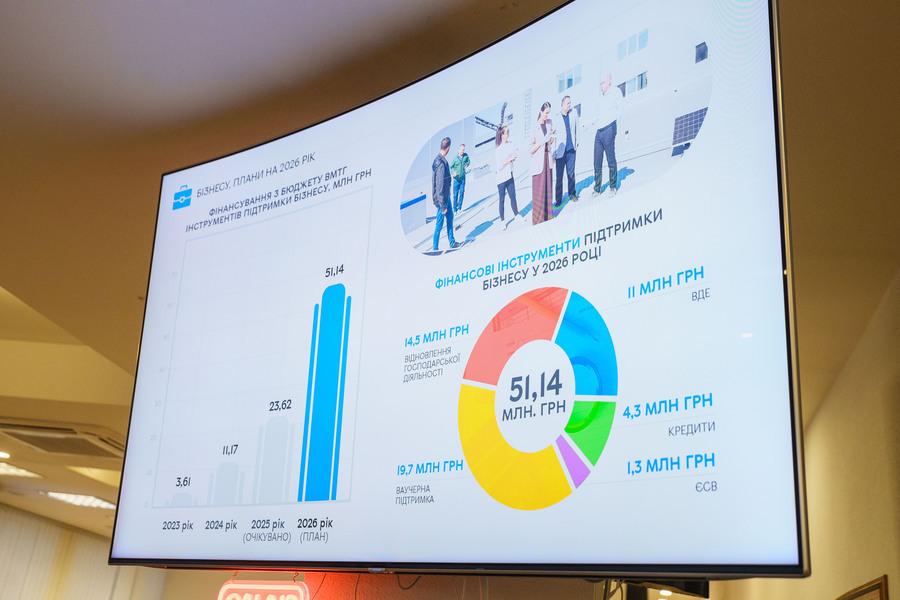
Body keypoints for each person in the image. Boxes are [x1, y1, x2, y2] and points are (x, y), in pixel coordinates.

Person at [593, 74, 623, 197]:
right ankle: (597, 189)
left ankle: (612, 187)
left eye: (603, 83)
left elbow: (621, 108)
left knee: (610, 159)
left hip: (609, 128)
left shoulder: (615, 92)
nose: (601, 85)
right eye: (601, 83)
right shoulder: (600, 98)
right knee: (597, 161)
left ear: (609, 82)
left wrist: (614, 124)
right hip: (599, 131)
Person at [529, 102, 555, 224]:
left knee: (548, 188)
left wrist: (551, 138)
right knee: (539, 191)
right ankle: (538, 220)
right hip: (538, 161)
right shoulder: (534, 127)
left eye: (548, 113)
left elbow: (550, 141)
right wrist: (542, 141)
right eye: (546, 113)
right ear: (541, 112)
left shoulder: (549, 123)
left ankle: (548, 217)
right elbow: (530, 149)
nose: (547, 115)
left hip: (547, 159)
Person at [432, 137, 458, 251]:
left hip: (445, 197)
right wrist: (443, 206)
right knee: (439, 224)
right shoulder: (441, 164)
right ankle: (435, 248)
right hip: (442, 199)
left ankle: (452, 242)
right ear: (448, 148)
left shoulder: (438, 159)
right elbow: (439, 186)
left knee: (450, 217)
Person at [553, 95, 579, 206]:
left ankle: (572, 194)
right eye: (568, 103)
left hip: (571, 150)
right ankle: (558, 199)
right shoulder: (556, 118)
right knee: (559, 177)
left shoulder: (574, 113)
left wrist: (577, 143)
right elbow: (553, 137)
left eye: (570, 103)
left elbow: (577, 128)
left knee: (571, 173)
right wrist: (553, 153)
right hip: (560, 153)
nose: (569, 105)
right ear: (562, 104)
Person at [494, 126, 519, 228]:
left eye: (508, 131)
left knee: (513, 197)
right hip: (501, 178)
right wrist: (509, 160)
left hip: (510, 175)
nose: (508, 133)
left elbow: (515, 152)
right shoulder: (498, 149)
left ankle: (517, 215)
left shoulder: (511, 144)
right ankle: (502, 221)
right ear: (502, 135)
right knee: (502, 200)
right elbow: (499, 166)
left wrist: (514, 157)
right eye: (506, 132)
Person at [450, 144, 470, 213]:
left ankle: (459, 208)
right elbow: (450, 167)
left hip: (463, 178)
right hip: (456, 180)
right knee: (455, 194)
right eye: (461, 150)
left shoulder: (465, 156)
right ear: (459, 150)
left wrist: (467, 165)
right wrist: (453, 173)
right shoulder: (455, 159)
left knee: (461, 193)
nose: (462, 151)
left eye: (463, 150)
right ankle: (454, 209)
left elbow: (468, 161)